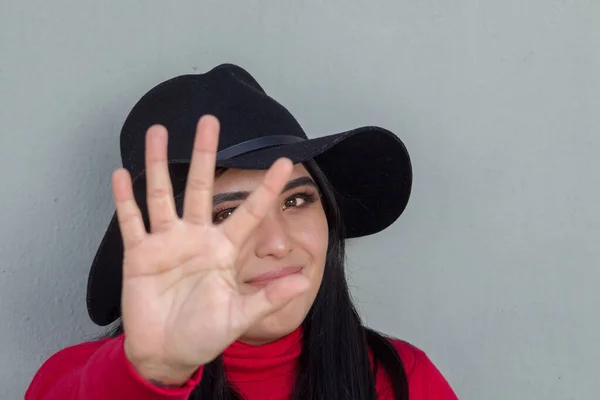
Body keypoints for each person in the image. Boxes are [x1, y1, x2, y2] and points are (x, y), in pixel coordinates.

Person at [26, 63, 458, 400]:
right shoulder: (74, 382)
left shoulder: (402, 379)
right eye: (226, 214)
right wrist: (152, 376)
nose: (276, 243)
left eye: (296, 200)